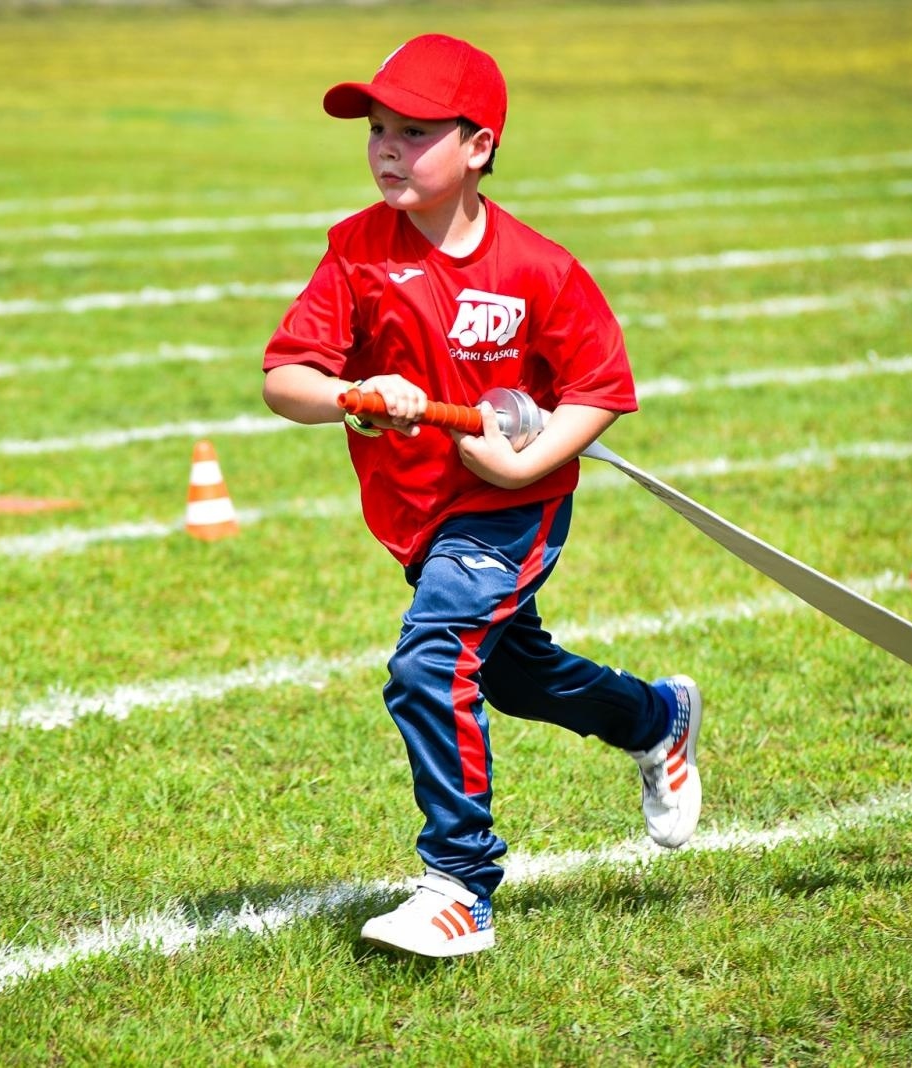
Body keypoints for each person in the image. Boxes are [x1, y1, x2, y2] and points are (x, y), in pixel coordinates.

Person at [261, 33, 702, 959]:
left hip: (509, 507)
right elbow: (285, 378)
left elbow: (603, 387)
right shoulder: (354, 251)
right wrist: (354, 396)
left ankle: (460, 886)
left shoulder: (537, 267)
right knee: (509, 673)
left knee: (429, 662)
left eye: (414, 131)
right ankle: (655, 719)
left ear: (479, 146)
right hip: (418, 515)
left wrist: (525, 466)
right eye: (377, 128)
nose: (387, 147)